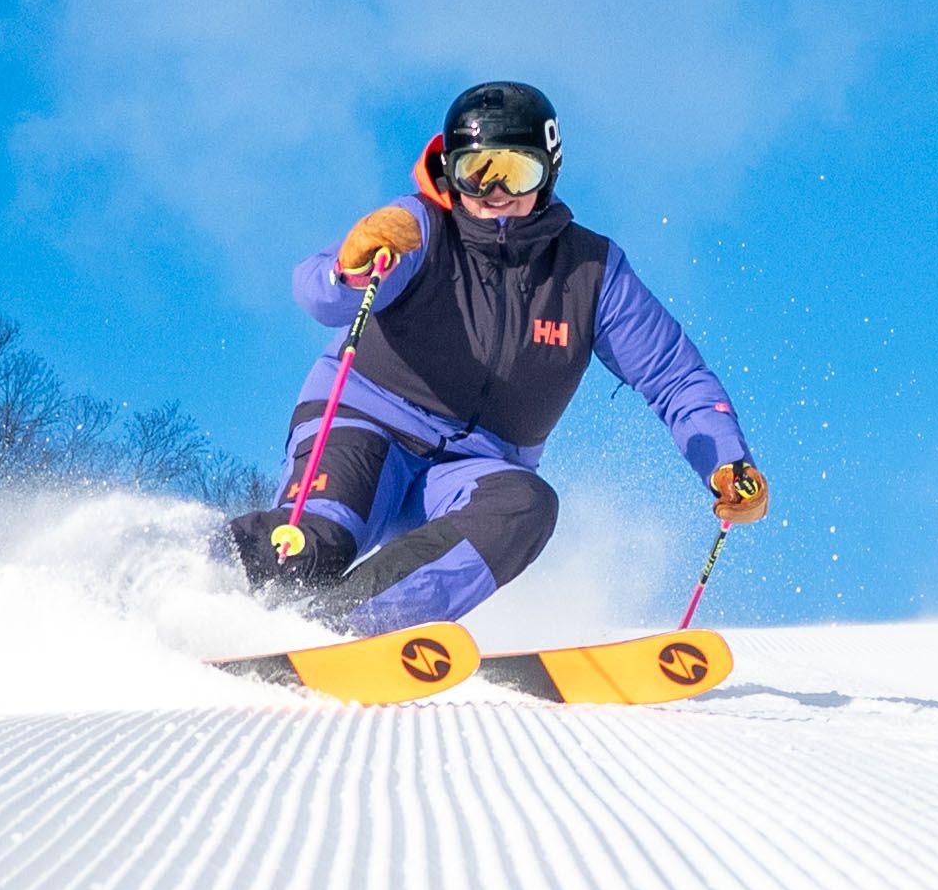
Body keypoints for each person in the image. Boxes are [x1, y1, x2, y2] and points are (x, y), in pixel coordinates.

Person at [245, 79, 772, 634]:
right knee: (318, 540)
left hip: (473, 470)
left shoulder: (590, 272)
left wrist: (727, 462)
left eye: (516, 172)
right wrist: (351, 264)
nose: (495, 192)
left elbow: (674, 376)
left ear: (549, 173)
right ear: (451, 172)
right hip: (367, 424)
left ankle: (343, 629)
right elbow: (320, 295)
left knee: (527, 505)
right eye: (477, 172)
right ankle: (186, 581)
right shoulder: (418, 227)